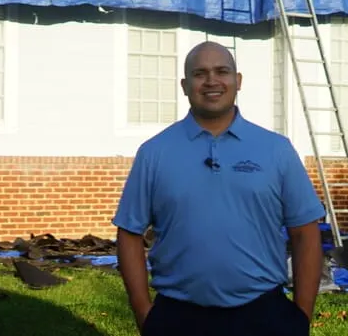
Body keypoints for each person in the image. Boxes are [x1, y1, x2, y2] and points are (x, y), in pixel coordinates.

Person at [113, 41, 326, 336]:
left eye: (222, 71)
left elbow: (305, 232)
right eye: (200, 74)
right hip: (178, 317)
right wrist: (144, 314)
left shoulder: (276, 150)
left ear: (237, 82)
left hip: (264, 315)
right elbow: (129, 233)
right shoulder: (155, 152)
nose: (211, 81)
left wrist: (300, 317)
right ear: (185, 85)